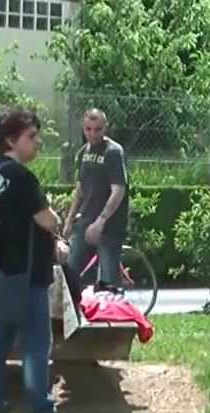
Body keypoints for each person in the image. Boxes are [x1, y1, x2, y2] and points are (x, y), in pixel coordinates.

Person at [0, 109, 64, 413]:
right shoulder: (21, 177)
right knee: (37, 343)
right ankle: (41, 409)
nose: (37, 141)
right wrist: (57, 220)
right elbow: (48, 220)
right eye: (31, 136)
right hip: (27, 273)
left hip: (2, 271)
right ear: (11, 140)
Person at [63, 109, 129, 291]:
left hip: (109, 227)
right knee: (69, 273)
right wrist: (69, 220)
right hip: (85, 221)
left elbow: (118, 190)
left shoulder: (113, 152)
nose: (92, 134)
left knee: (108, 283)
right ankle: (72, 314)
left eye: (97, 129)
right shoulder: (83, 152)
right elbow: (80, 189)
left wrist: (101, 221)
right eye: (88, 129)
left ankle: (113, 315)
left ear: (105, 128)